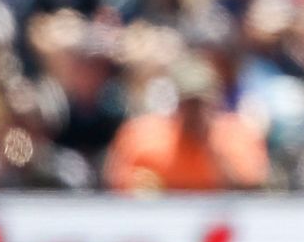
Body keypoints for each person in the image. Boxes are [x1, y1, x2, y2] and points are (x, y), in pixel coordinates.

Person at [103, 58, 267, 193]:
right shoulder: (143, 135)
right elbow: (117, 182)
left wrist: (213, 150)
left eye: (201, 104)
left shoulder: (238, 135)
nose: (194, 112)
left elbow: (251, 189)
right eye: (187, 104)